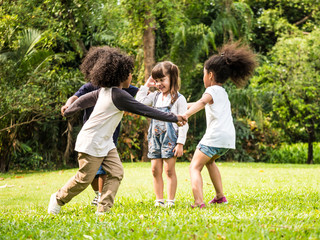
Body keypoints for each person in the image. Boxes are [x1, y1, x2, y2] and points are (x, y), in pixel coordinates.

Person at [48, 46, 187, 215]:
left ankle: (103, 209)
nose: (131, 76)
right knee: (84, 179)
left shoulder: (106, 91)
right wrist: (175, 117)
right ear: (121, 75)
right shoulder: (117, 95)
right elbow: (145, 110)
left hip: (105, 142)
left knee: (116, 172)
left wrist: (69, 109)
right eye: (129, 73)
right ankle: (58, 198)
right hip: (91, 141)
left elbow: (83, 101)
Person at [182, 42, 257, 208]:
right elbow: (200, 103)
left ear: (209, 75)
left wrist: (185, 115)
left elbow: (201, 103)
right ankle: (220, 196)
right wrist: (182, 106)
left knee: (194, 167)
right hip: (227, 139)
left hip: (214, 136)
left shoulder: (211, 91)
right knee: (209, 162)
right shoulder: (221, 92)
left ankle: (199, 202)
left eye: (203, 74)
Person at [61, 83, 138, 206]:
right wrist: (68, 105)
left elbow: (141, 97)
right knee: (88, 175)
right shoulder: (91, 88)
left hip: (110, 136)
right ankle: (59, 198)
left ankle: (102, 203)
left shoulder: (123, 87)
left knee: (111, 171)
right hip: (92, 137)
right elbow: (76, 98)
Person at [136, 61, 189, 207]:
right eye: (156, 80)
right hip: (155, 137)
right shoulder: (154, 97)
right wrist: (147, 85)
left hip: (170, 139)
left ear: (172, 78)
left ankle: (170, 201)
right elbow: (138, 102)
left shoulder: (179, 99)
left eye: (162, 80)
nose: (159, 84)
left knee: (169, 170)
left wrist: (180, 143)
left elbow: (184, 122)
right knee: (155, 170)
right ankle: (159, 200)